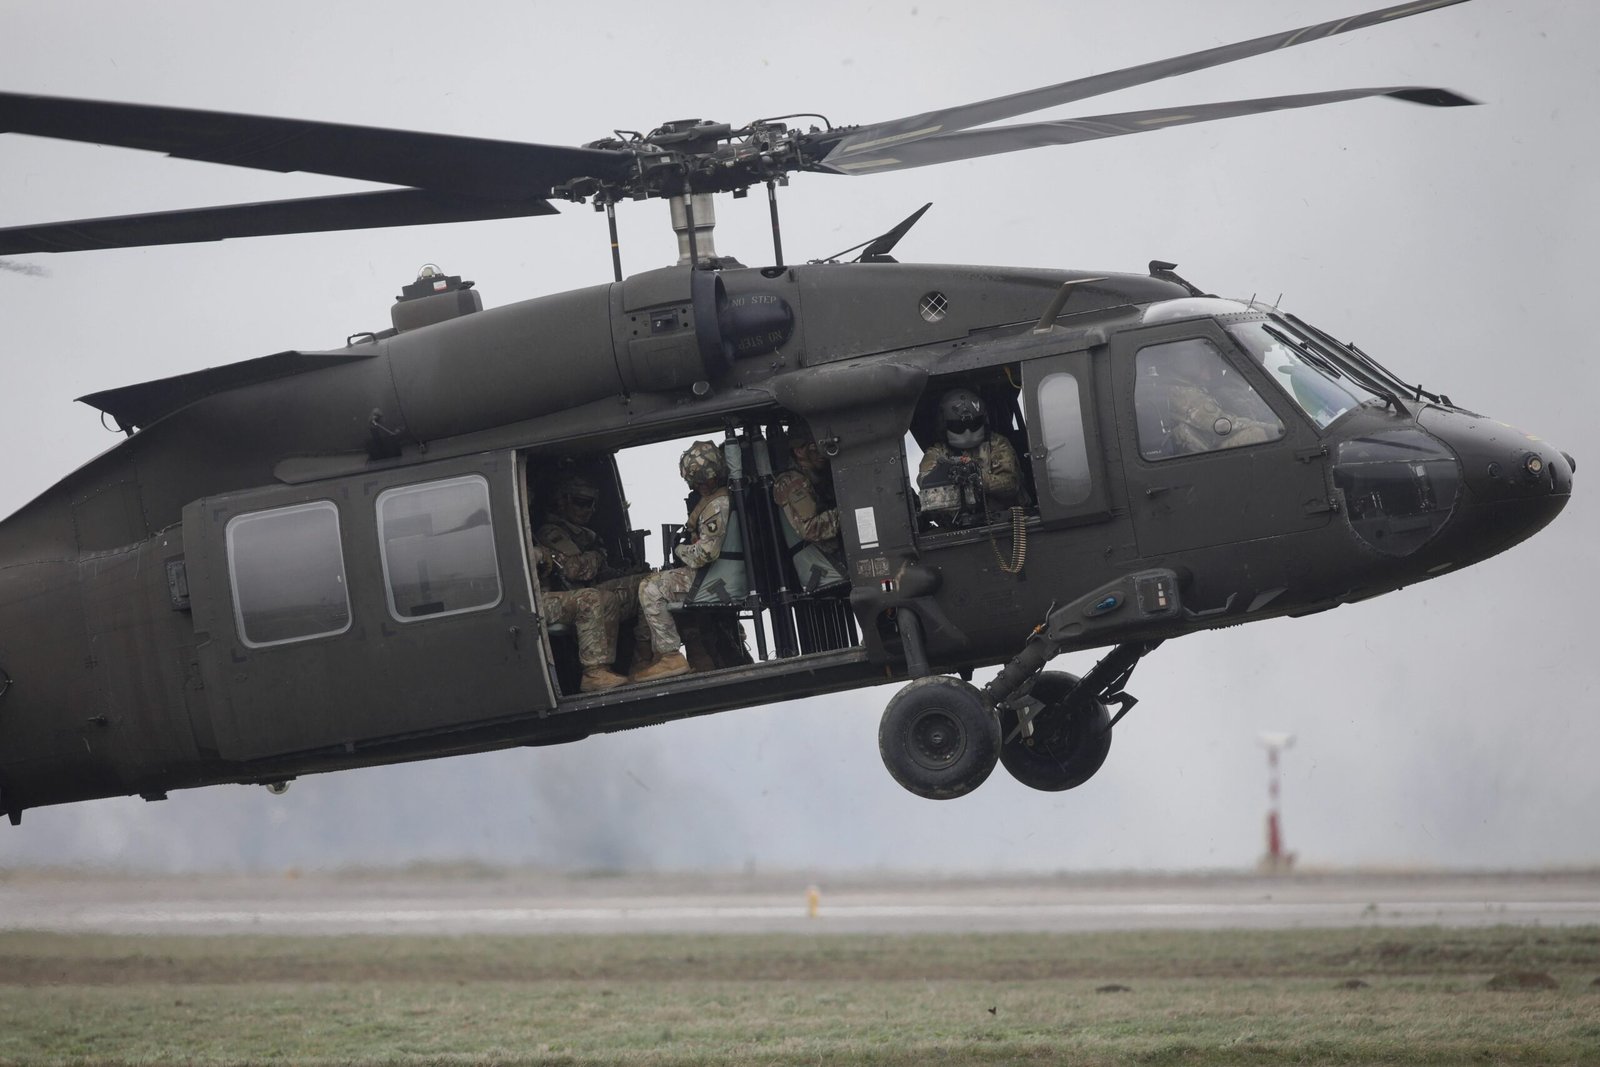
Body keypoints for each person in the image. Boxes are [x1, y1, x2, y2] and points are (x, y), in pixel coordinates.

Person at [631, 441, 734, 682]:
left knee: (651, 587)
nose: (698, 487)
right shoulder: (725, 497)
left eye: (699, 481)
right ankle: (695, 656)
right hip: (722, 573)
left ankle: (670, 657)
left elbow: (705, 554)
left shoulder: (717, 505)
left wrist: (680, 549)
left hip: (716, 577)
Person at [532, 472, 643, 693]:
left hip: (579, 592)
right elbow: (574, 569)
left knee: (644, 586)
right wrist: (596, 556)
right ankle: (594, 672)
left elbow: (600, 574)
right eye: (581, 502)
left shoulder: (585, 535)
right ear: (563, 502)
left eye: (592, 504)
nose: (588, 510)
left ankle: (642, 661)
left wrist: (629, 573)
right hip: (548, 599)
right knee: (593, 599)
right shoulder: (551, 532)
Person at [916, 387, 1021, 527]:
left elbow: (1010, 484)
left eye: (974, 424)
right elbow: (925, 483)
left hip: (1002, 522)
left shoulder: (997, 444)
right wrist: (950, 476)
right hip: (956, 527)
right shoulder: (937, 453)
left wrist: (978, 479)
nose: (967, 431)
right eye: (958, 426)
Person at [771, 422, 848, 594]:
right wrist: (849, 511)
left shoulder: (818, 475)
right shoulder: (793, 483)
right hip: (827, 566)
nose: (822, 453)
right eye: (815, 448)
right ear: (799, 451)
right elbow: (810, 529)